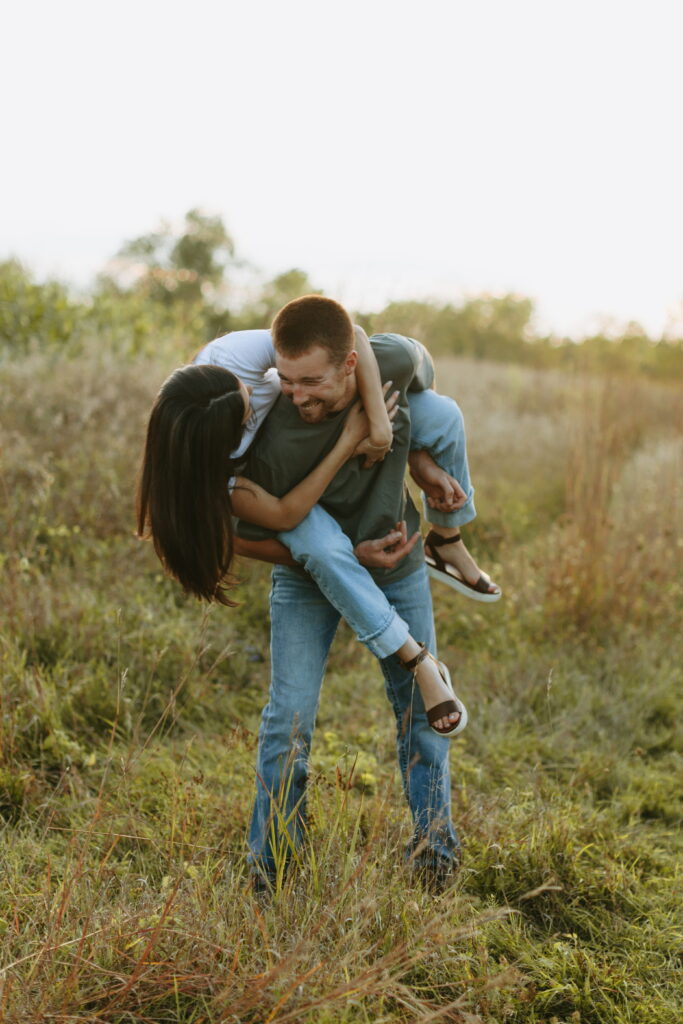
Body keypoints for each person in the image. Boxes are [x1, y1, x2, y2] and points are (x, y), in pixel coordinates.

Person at [230, 296, 475, 889]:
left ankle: (434, 857)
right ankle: (272, 864)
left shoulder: (382, 366)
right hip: (307, 577)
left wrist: (416, 452)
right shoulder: (269, 434)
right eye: (286, 381)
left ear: (349, 364)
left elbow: (421, 367)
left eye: (312, 380)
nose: (298, 396)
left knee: (422, 711)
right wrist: (345, 560)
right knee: (287, 719)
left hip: (402, 562)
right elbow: (240, 531)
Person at [137, 325, 467, 736]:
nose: (257, 407)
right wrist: (348, 443)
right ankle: (417, 658)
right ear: (220, 446)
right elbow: (282, 516)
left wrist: (390, 436)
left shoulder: (233, 356)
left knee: (440, 411)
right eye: (245, 418)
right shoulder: (217, 475)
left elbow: (347, 333)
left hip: (327, 425)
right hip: (284, 487)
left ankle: (449, 537)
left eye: (247, 396)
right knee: (325, 549)